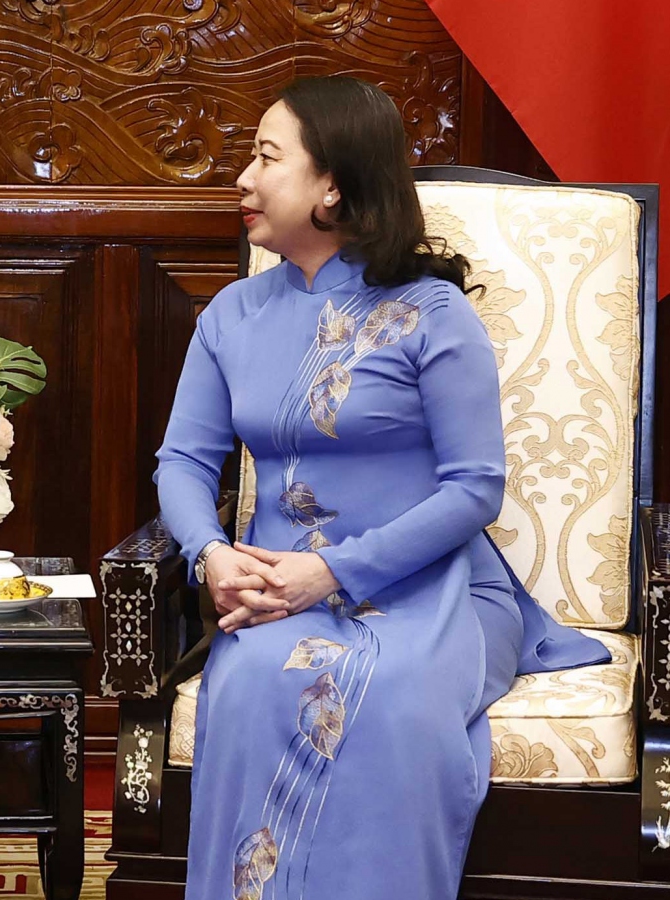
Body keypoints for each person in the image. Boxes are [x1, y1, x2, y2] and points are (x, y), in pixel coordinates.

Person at [154, 75, 611, 899]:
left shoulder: (432, 313)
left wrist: (332, 572)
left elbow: (475, 488)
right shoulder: (231, 315)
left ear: (331, 184)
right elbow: (184, 461)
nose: (243, 180)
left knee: (391, 699)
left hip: (434, 590)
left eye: (266, 158)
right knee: (252, 683)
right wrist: (211, 554)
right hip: (273, 590)